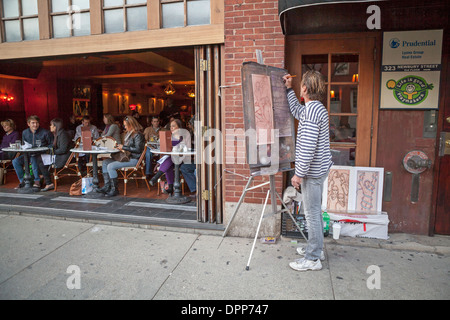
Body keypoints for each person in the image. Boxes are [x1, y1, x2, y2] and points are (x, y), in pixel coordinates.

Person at [283, 71, 332, 272]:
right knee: (315, 213)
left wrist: (298, 174)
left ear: (305, 88)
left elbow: (308, 147)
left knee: (311, 215)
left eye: (301, 85)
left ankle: (312, 259)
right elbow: (296, 110)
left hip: (312, 173)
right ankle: (316, 249)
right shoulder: (315, 108)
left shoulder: (312, 111)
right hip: (318, 170)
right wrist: (288, 89)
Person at [95, 116, 144, 197]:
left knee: (111, 166)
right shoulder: (129, 134)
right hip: (127, 157)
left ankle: (115, 189)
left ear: (131, 125)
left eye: (125, 125)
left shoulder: (138, 135)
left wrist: (123, 147)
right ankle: (107, 186)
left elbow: (138, 150)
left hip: (134, 159)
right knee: (105, 162)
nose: (124, 127)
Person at [12, 115, 53, 189]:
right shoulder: (25, 132)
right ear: (28, 124)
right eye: (33, 123)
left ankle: (37, 181)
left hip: (40, 154)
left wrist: (46, 149)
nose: (35, 125)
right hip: (28, 154)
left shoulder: (45, 132)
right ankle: (23, 181)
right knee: (15, 161)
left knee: (34, 158)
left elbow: (51, 144)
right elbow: (24, 144)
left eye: (37, 123)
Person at [149, 119, 183, 195]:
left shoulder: (183, 136)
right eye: (170, 126)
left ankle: (156, 177)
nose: (171, 128)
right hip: (172, 160)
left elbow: (178, 146)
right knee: (168, 165)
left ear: (179, 127)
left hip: (182, 159)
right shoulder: (171, 137)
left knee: (171, 158)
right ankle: (170, 188)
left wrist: (166, 142)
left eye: (174, 126)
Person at [38, 118, 72, 191]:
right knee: (39, 159)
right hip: (59, 155)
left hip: (63, 157)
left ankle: (48, 182)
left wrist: (52, 152)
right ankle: (44, 178)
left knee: (40, 161)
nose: (50, 126)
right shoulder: (57, 134)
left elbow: (63, 149)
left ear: (55, 126)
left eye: (51, 125)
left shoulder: (63, 134)